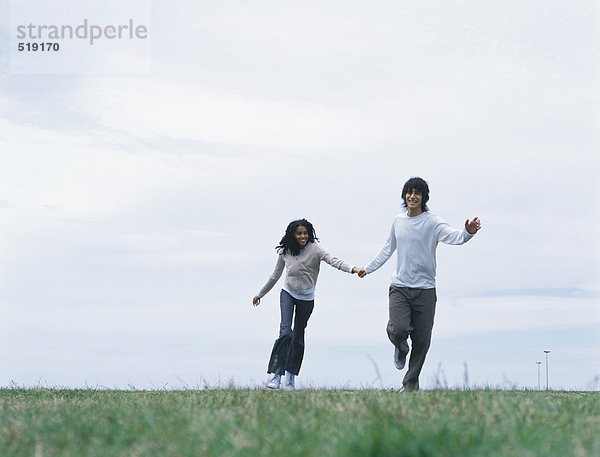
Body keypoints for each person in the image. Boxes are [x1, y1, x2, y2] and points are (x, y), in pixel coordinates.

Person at [356, 177, 481, 391]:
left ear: (424, 197)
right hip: (400, 287)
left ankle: (410, 385)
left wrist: (468, 232)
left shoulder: (432, 222)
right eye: (409, 193)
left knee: (422, 341)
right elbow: (388, 248)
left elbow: (456, 237)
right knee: (398, 329)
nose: (413, 196)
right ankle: (400, 347)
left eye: (417, 193)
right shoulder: (398, 221)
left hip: (425, 290)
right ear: (405, 196)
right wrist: (367, 268)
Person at [253, 218, 361, 389]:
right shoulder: (285, 251)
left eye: (305, 233)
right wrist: (260, 294)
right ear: (293, 235)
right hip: (288, 293)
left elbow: (334, 260)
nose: (303, 236)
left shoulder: (315, 249)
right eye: (299, 234)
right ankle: (276, 376)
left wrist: (353, 269)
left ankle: (290, 378)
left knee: (298, 336)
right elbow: (275, 275)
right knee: (285, 332)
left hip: (307, 298)